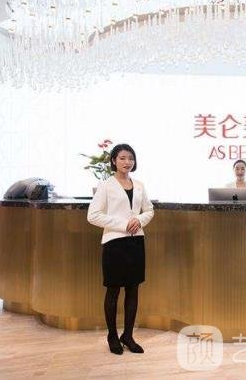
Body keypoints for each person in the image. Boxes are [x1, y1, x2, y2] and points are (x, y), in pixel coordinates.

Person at [87, 143, 154, 355]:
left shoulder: (140, 185)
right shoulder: (105, 185)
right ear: (114, 161)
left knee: (133, 290)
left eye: (130, 158)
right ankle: (112, 336)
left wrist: (139, 220)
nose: (127, 162)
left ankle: (128, 336)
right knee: (113, 291)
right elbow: (93, 215)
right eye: (123, 158)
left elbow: (149, 210)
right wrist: (123, 224)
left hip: (136, 242)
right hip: (115, 243)